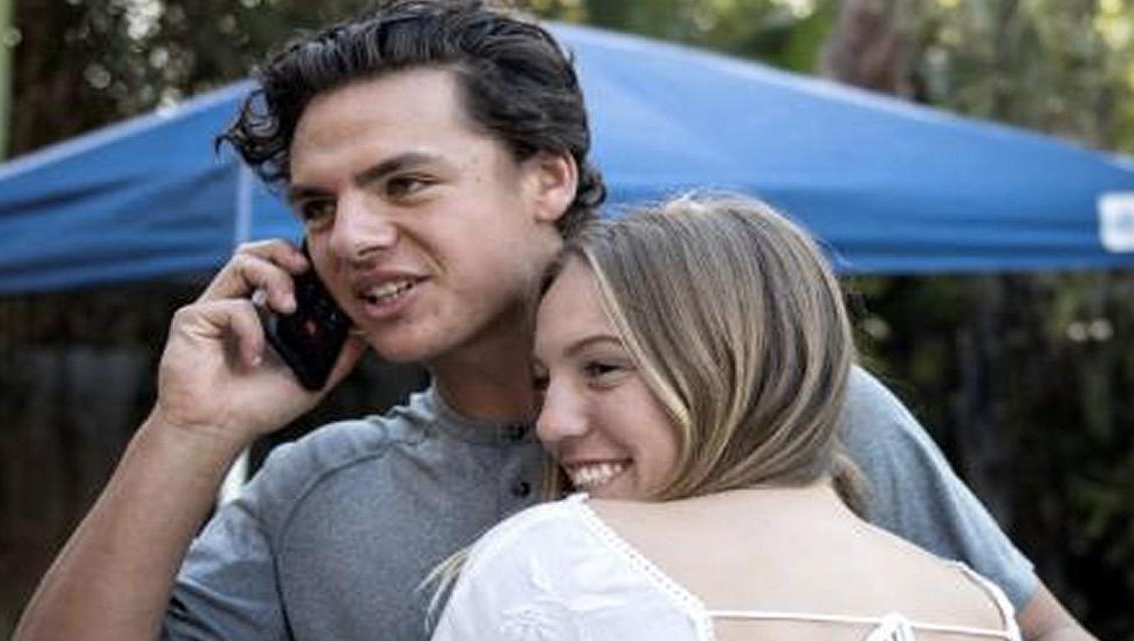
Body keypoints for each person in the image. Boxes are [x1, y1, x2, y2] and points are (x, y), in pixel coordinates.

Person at [11, 2, 1093, 640]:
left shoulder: (782, 414)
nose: (351, 237)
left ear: (547, 176)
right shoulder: (314, 490)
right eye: (317, 205)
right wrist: (190, 429)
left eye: (404, 182)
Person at [432, 194, 1020, 640]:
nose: (551, 424)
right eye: (542, 381)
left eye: (603, 368)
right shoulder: (980, 608)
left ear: (732, 363)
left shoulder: (554, 562)